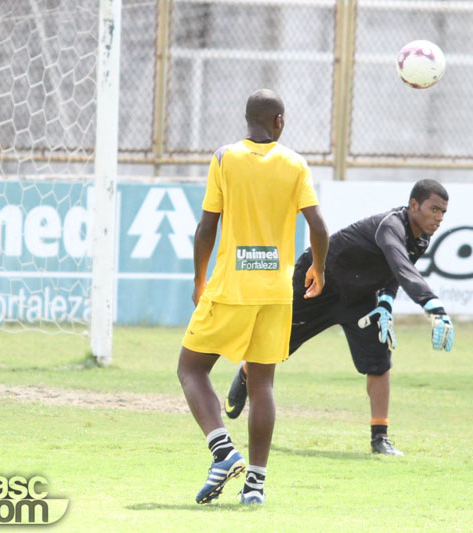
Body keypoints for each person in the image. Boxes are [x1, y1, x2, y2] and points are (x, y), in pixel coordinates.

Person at [223, 179, 454, 456]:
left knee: (379, 362)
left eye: (443, 212)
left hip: (358, 299)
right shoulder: (390, 225)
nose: (439, 218)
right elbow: (402, 266)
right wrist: (434, 306)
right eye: (434, 209)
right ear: (414, 205)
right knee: (275, 346)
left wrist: (385, 302)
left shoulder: (422, 238)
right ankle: (247, 372)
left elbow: (394, 271)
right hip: (317, 283)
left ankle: (380, 438)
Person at [177, 89, 329, 505]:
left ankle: (223, 452)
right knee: (262, 383)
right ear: (278, 121)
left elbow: (207, 227)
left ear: (248, 121)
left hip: (232, 286)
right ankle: (256, 486)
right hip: (277, 292)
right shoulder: (295, 164)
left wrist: (198, 278)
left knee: (191, 369)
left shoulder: (225, 158)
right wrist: (318, 267)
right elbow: (318, 226)